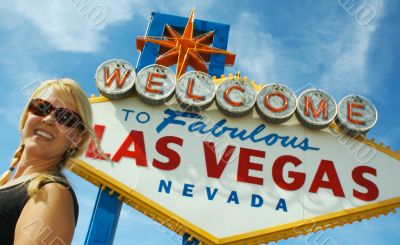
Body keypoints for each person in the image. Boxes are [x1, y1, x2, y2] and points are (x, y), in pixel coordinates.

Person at [0, 78, 98, 244]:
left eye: (66, 118)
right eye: (41, 107)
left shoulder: (51, 192)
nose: (48, 119)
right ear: (26, 117)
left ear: (77, 139)